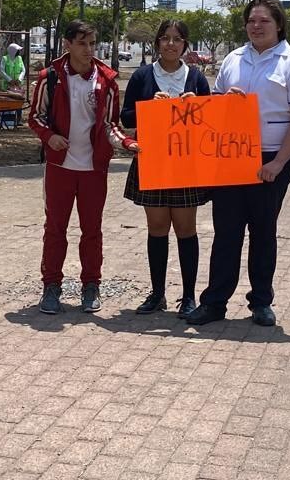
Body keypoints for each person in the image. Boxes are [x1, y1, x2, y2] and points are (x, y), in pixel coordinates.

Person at [185, 0, 290, 327]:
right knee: (226, 231)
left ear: (279, 25)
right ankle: (214, 302)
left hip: (272, 158)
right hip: (230, 157)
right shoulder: (233, 59)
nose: (256, 26)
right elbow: (215, 108)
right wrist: (204, 104)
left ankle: (261, 302)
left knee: (263, 231)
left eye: (264, 21)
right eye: (251, 21)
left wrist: (279, 163)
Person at [29, 19, 135, 314]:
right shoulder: (49, 77)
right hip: (60, 168)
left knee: (92, 230)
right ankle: (51, 287)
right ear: (67, 44)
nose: (89, 50)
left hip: (94, 168)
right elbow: (35, 117)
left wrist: (126, 144)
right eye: (82, 43)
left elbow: (110, 125)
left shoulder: (106, 80)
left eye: (92, 44)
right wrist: (50, 137)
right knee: (55, 228)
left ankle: (91, 286)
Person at [119, 18, 212, 319]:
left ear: (186, 44)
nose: (171, 44)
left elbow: (210, 121)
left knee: (186, 229)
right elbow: (126, 118)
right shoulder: (142, 76)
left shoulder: (196, 78)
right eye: (165, 38)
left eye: (177, 39)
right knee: (157, 228)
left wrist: (196, 104)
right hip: (153, 160)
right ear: (157, 42)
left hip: (186, 164)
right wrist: (149, 104)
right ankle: (157, 294)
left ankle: (188, 297)